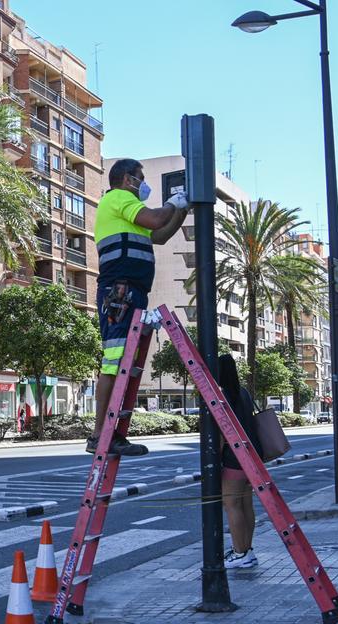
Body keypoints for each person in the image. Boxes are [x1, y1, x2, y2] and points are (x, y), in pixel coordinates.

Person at [88, 159, 190, 456]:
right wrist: (173, 203)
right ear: (127, 179)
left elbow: (160, 235)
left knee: (121, 363)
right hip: (119, 292)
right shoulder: (119, 198)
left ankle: (111, 435)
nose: (144, 184)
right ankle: (100, 436)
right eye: (141, 178)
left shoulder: (130, 215)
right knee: (113, 362)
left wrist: (181, 209)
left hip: (131, 291)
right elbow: (157, 220)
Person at [218, 354, 264, 569]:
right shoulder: (243, 393)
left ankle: (239, 553)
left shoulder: (221, 395)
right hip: (253, 455)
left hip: (233, 458)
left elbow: (221, 431)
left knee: (232, 505)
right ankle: (247, 550)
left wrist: (215, 457)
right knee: (246, 504)